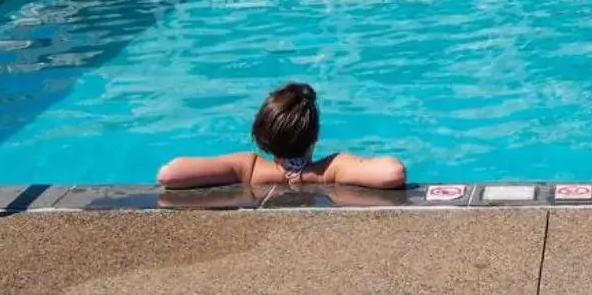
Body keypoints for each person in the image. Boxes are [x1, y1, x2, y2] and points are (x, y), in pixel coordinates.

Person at [156, 82, 406, 190]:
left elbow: (170, 173)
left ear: (261, 135)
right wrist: (309, 175)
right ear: (315, 135)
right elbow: (392, 172)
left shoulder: (248, 168)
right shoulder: (331, 169)